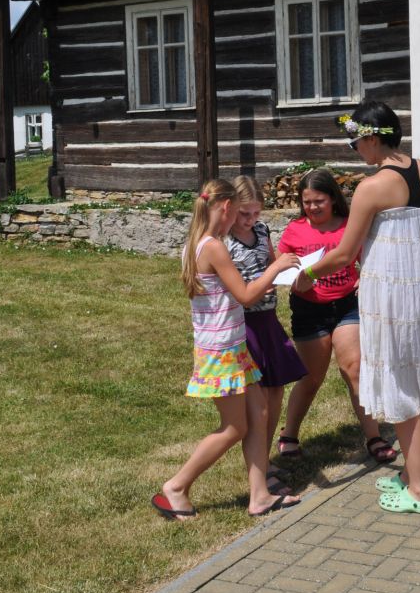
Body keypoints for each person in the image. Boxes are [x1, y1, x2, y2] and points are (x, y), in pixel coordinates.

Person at [293, 102, 420, 513]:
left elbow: (345, 253)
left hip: (393, 300)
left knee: (404, 391)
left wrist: (309, 273)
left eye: (355, 143)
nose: (355, 151)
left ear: (372, 138)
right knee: (416, 385)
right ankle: (411, 473)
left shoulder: (372, 188)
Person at [151, 178, 302, 521]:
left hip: (232, 346)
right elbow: (246, 296)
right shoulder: (213, 247)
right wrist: (275, 268)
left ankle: (259, 495)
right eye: (236, 213)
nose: (238, 221)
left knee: (259, 412)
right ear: (225, 207)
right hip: (221, 351)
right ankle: (176, 486)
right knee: (234, 427)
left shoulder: (198, 243)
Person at [276, 169, 399, 466]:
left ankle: (373, 436)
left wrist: (364, 277)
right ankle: (289, 435)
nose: (312, 207)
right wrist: (289, 276)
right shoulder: (294, 230)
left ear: (332, 198)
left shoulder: (348, 225)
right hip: (309, 310)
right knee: (311, 378)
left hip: (346, 305)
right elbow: (280, 264)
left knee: (354, 368)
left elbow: (370, 257)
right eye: (306, 202)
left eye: (318, 201)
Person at [226, 175, 308, 494]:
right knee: (256, 403)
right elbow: (237, 289)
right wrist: (267, 278)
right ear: (230, 208)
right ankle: (257, 468)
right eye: (244, 213)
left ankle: (262, 457)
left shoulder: (261, 231)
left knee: (275, 393)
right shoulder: (222, 241)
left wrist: (289, 276)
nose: (250, 220)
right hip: (242, 323)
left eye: (256, 213)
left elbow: (273, 265)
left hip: (267, 319)